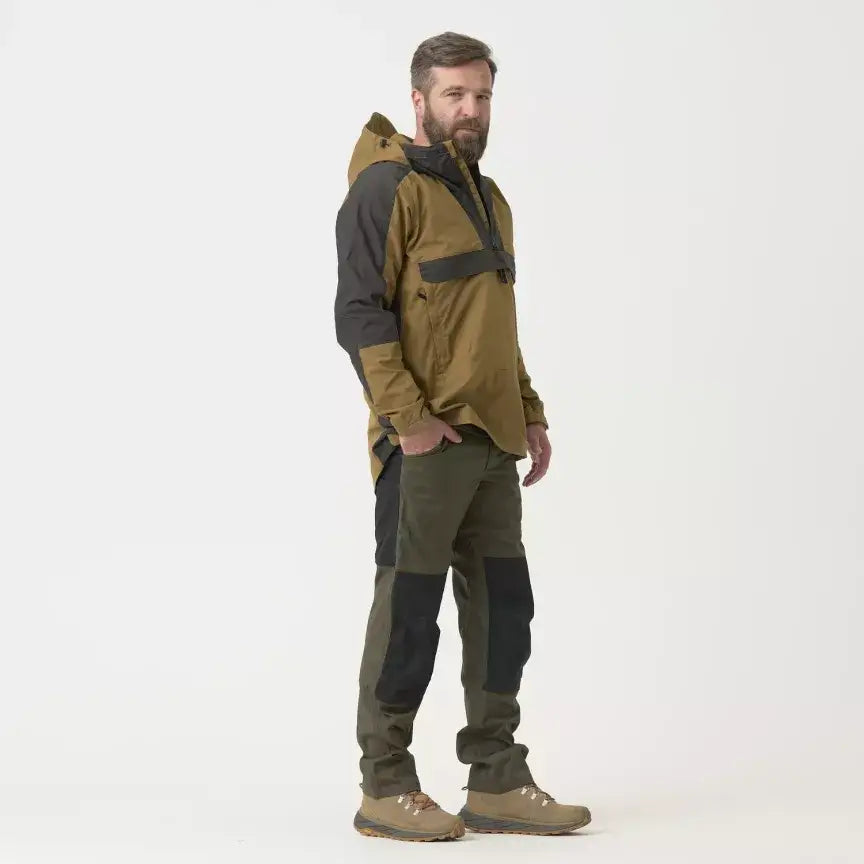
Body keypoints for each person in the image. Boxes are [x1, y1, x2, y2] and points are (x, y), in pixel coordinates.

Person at [334, 31, 591, 842]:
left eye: (481, 95)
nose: (470, 109)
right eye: (454, 95)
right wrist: (407, 421)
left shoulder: (488, 196)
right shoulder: (385, 188)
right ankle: (386, 785)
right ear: (419, 100)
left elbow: (494, 324)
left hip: (492, 440)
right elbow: (359, 315)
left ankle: (497, 777)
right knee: (409, 611)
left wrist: (530, 410)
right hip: (425, 444)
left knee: (504, 609)